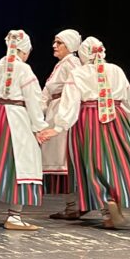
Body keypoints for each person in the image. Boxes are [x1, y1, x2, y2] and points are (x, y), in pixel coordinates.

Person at [39, 37, 130, 228]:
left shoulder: (78, 73)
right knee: (116, 162)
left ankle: (107, 210)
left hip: (87, 120)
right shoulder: (116, 70)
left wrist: (58, 127)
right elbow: (129, 101)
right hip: (115, 117)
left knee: (91, 164)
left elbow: (70, 103)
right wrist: (124, 121)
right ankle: (116, 202)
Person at [0, 30, 47, 231]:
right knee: (22, 162)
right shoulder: (24, 69)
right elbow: (33, 99)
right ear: (24, 50)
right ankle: (14, 216)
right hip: (17, 117)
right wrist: (39, 126)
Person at [40, 29, 83, 219]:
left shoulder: (72, 63)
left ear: (70, 45)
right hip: (55, 110)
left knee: (68, 160)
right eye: (54, 42)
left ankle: (77, 204)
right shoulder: (61, 64)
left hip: (65, 112)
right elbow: (46, 93)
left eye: (59, 43)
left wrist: (62, 120)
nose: (54, 46)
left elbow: (75, 92)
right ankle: (71, 205)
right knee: (62, 161)